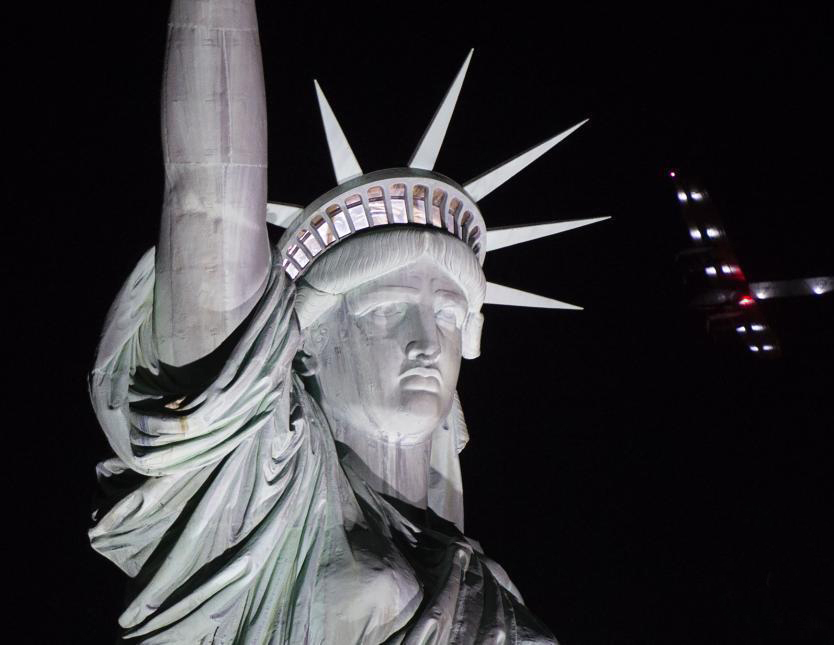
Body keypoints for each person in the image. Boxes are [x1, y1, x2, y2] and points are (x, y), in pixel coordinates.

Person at [89, 0, 602, 642]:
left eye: (446, 314)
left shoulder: (478, 579)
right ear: (305, 346)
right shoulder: (263, 493)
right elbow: (207, 195)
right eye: (387, 311)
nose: (425, 343)